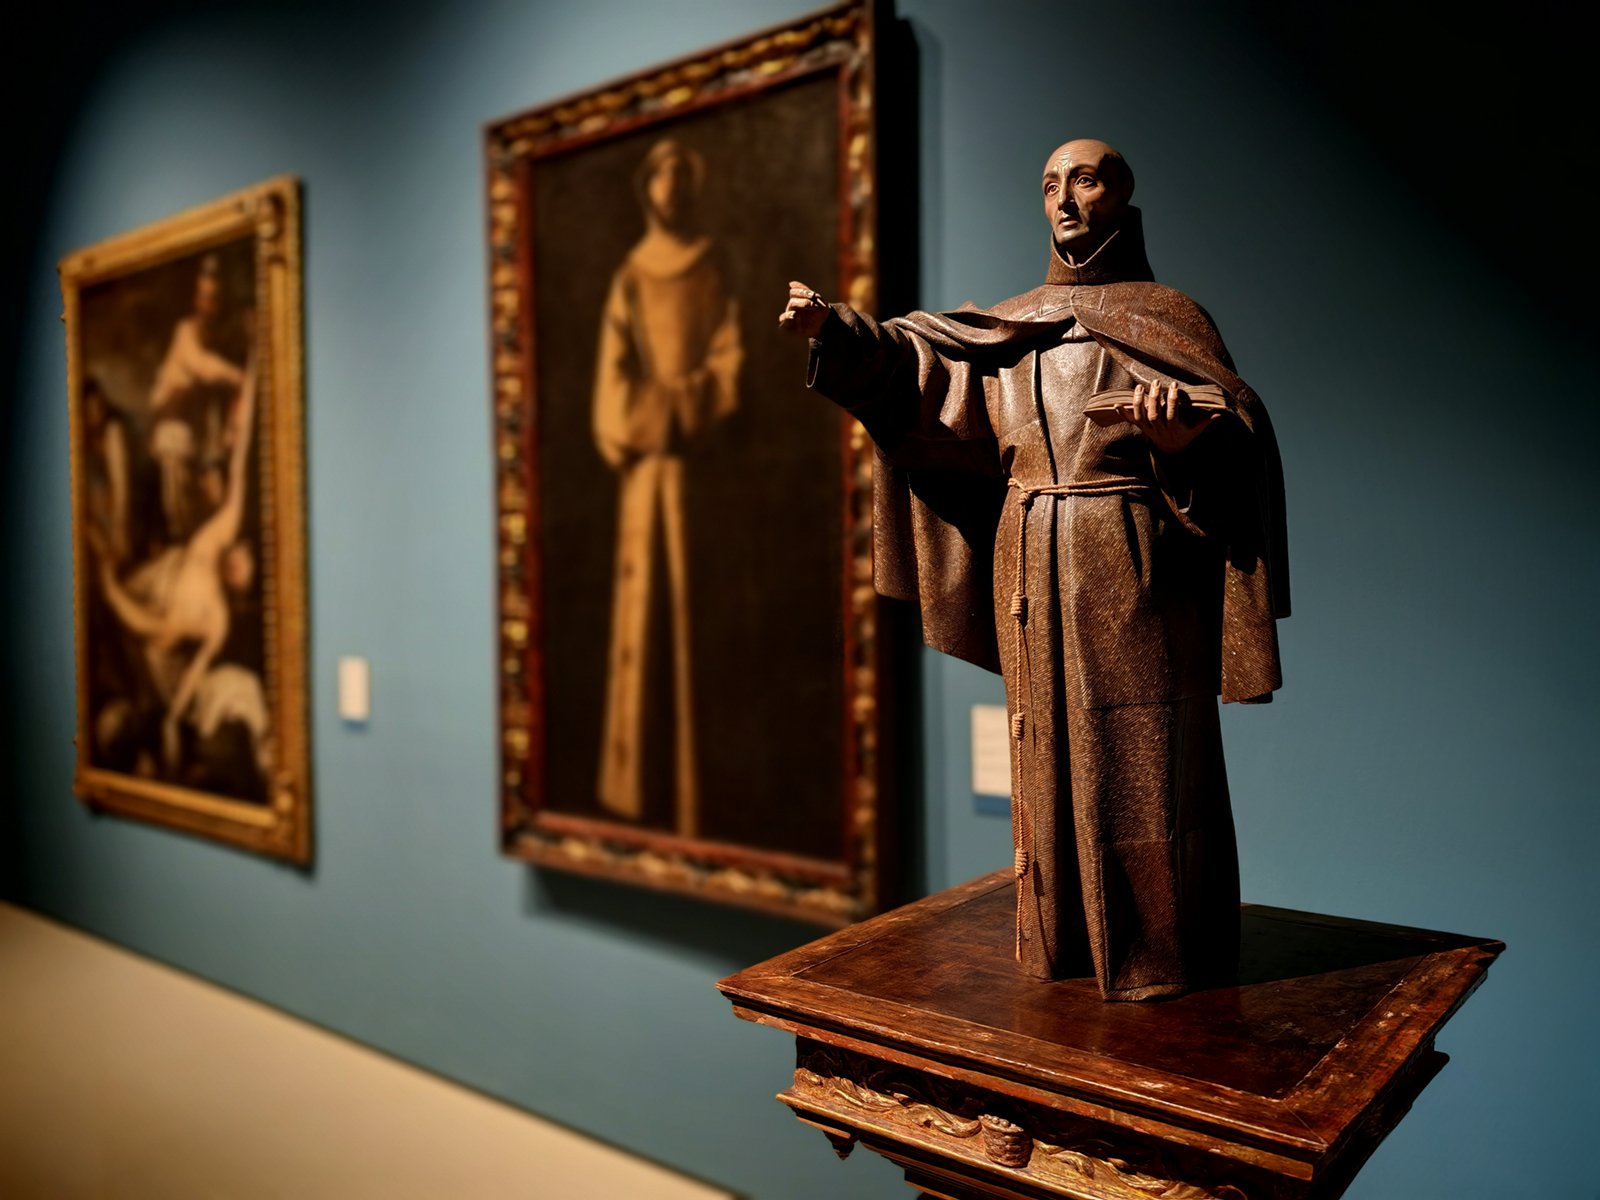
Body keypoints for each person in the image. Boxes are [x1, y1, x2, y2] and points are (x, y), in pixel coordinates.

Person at [779, 139, 1289, 1001]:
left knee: (1146, 752)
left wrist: (1178, 447)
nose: (1065, 200)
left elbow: (1234, 450)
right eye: (1051, 185)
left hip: (1132, 561)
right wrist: (839, 332)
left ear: (1121, 196)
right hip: (1031, 558)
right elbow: (918, 374)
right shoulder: (1013, 328)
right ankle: (1062, 938)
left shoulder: (1171, 317)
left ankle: (1159, 952)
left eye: (1085, 181)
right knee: (1042, 744)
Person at [592, 137, 743, 836]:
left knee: (694, 621)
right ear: (647, 188)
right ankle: (639, 792)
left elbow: (731, 366)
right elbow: (611, 388)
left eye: (684, 176)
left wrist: (680, 408)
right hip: (644, 481)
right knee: (643, 622)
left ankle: (697, 793)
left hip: (698, 476)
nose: (672, 189)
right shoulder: (630, 275)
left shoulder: (713, 267)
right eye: (663, 177)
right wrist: (652, 417)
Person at [90, 357, 261, 779]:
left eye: (244, 570)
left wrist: (174, 718)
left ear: (241, 590)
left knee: (123, 623)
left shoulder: (216, 618)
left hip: (151, 631)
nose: (237, 560)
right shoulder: (216, 538)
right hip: (148, 578)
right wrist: (254, 381)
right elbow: (239, 469)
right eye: (243, 554)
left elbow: (172, 650)